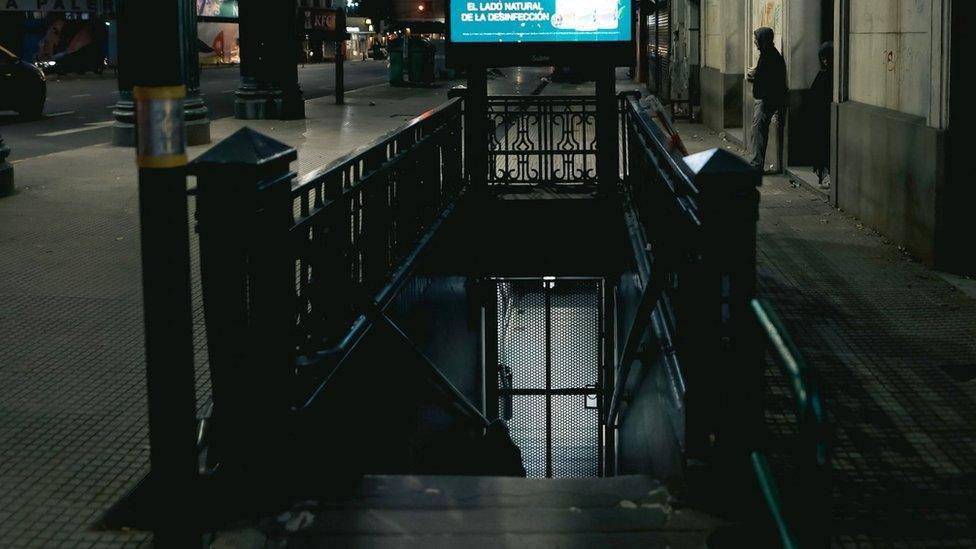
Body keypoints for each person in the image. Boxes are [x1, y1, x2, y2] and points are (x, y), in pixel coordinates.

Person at [746, 27, 787, 172]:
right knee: (758, 132)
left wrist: (755, 77)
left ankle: (757, 164)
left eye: (756, 38)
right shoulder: (767, 54)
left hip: (765, 101)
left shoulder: (771, 56)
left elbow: (771, 81)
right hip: (764, 100)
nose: (755, 42)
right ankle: (756, 163)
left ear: (763, 40)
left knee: (758, 132)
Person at [808, 42, 833, 187]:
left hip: (822, 119)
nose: (824, 61)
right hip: (822, 119)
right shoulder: (828, 75)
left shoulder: (824, 75)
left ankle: (824, 175)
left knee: (823, 148)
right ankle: (824, 175)